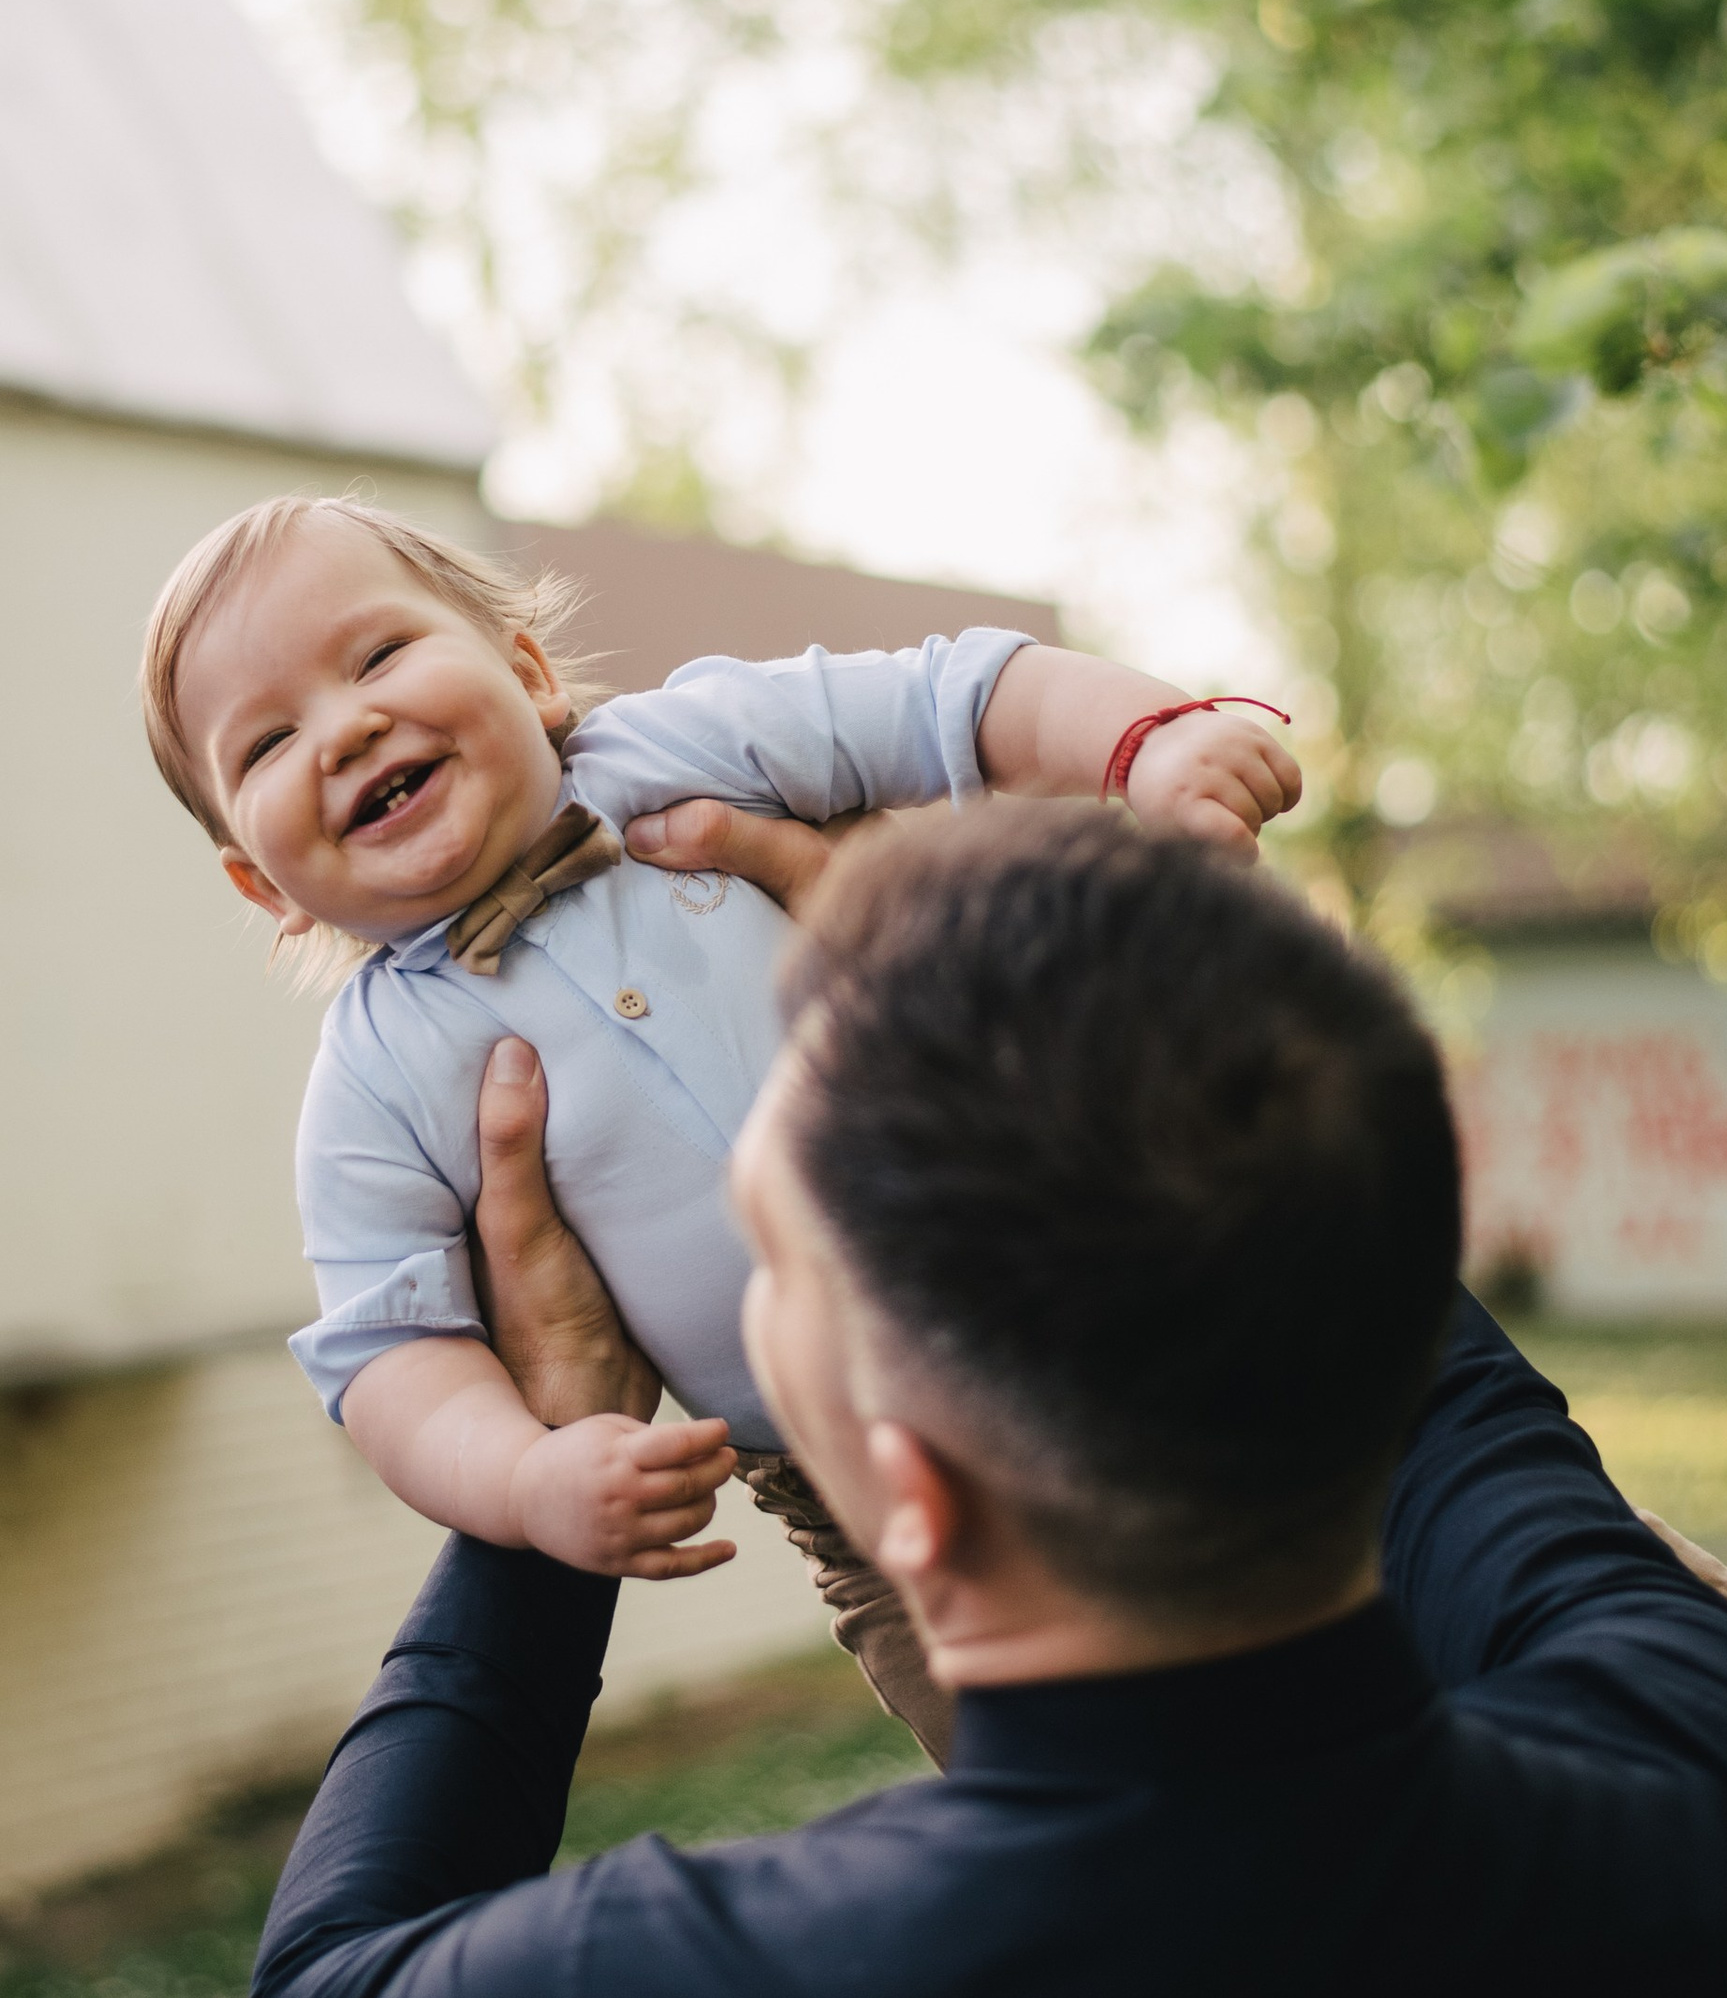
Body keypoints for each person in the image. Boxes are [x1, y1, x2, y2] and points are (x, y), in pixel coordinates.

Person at [248, 806, 1727, 1997]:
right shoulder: (1725, 1762)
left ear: (915, 1493)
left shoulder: (772, 1963)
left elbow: (330, 1972)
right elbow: (1437, 1381)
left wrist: (548, 1481)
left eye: (770, 1261)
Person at [139, 496, 1299, 1752]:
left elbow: (949, 697)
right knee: (1066, 1797)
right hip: (865, 1505)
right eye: (267, 742)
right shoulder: (376, 1077)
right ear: (259, 882)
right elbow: (387, 1356)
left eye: (378, 655)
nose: (345, 726)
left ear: (527, 676)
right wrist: (523, 1476)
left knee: (1310, 1638)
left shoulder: (687, 748)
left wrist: (1143, 742)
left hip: (1096, 1317)